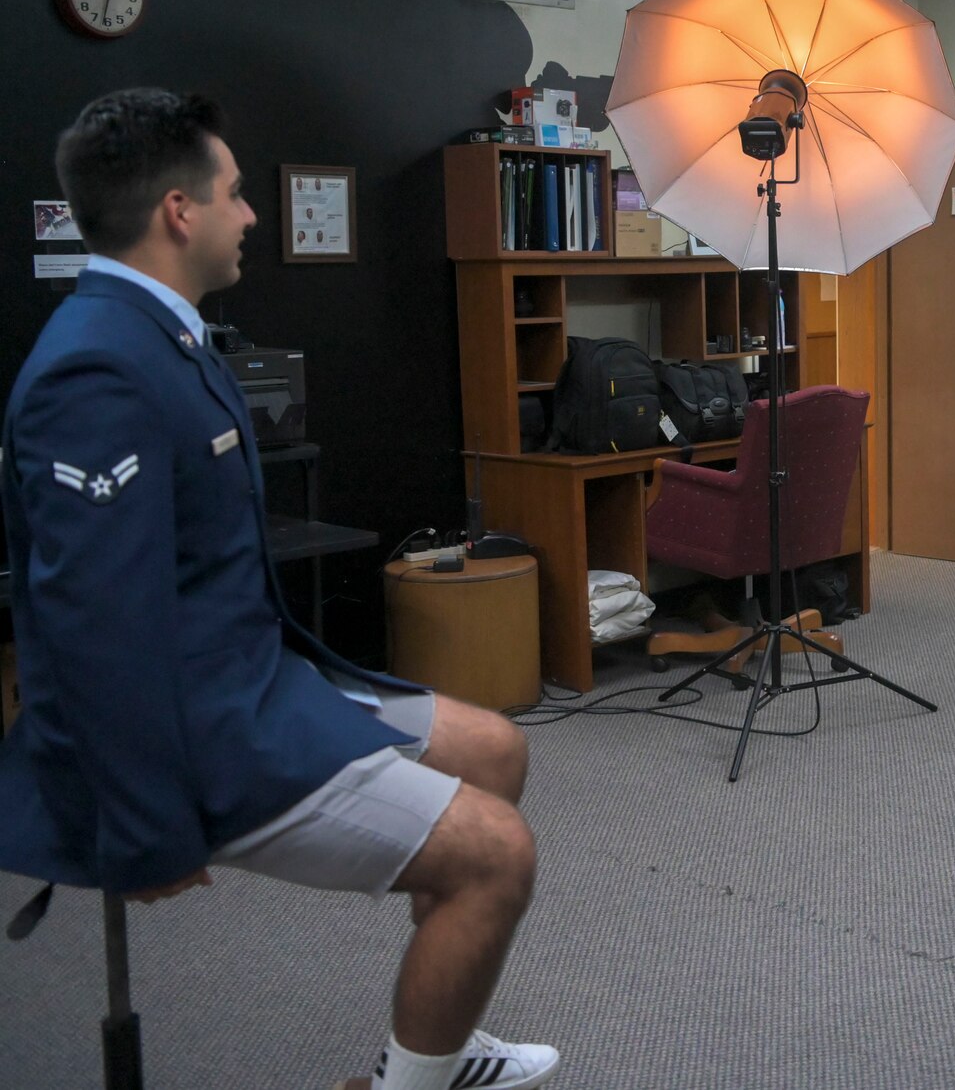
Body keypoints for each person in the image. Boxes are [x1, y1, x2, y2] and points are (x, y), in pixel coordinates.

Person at [0, 90, 559, 1090]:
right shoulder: (96, 366)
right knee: (497, 853)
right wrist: (143, 826)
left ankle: (435, 1034)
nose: (250, 215)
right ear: (180, 211)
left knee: (495, 747)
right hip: (196, 728)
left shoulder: (163, 332)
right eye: (236, 194)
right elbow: (92, 631)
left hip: (250, 675)